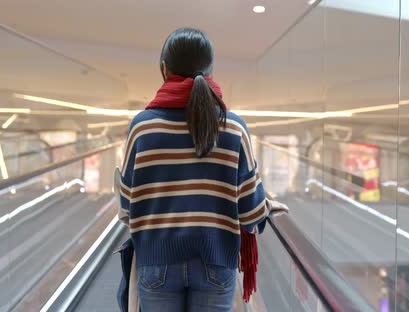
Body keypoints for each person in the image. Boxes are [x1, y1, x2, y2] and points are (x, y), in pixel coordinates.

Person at [117, 28, 287, 312]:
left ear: (164, 69)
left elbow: (126, 208)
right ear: (210, 71)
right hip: (216, 260)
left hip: (156, 263)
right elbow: (250, 212)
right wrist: (266, 205)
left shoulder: (142, 127)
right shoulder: (234, 128)